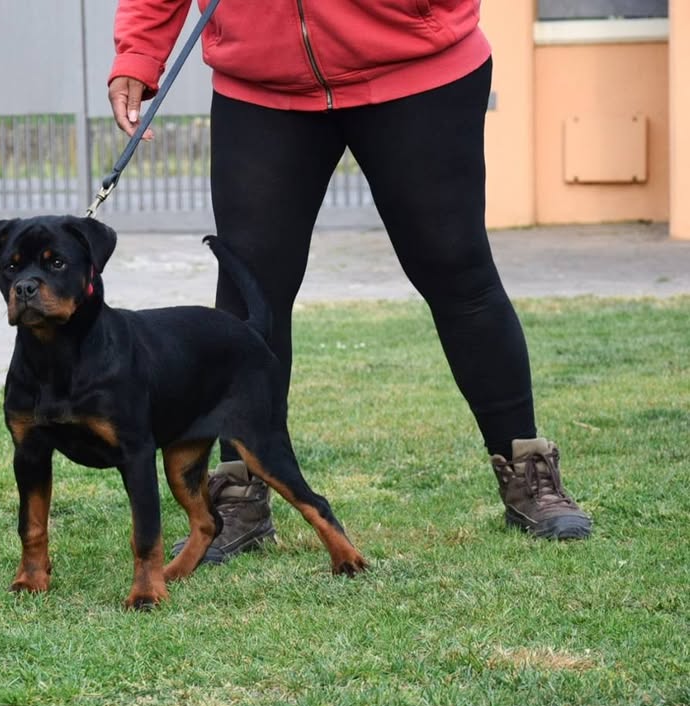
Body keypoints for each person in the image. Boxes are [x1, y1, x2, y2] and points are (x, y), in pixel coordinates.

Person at [107, 0, 591, 561]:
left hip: (415, 60)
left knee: (458, 271)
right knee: (248, 291)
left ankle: (527, 470)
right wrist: (140, 51)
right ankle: (241, 490)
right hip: (262, 83)